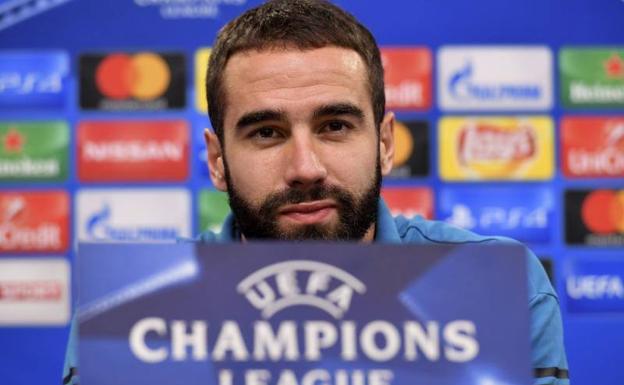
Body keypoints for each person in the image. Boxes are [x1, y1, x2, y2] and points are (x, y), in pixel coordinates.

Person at [63, 0, 569, 384]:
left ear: (386, 143)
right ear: (217, 161)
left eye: (334, 126)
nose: (305, 168)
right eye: (266, 132)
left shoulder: (495, 286)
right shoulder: (131, 306)